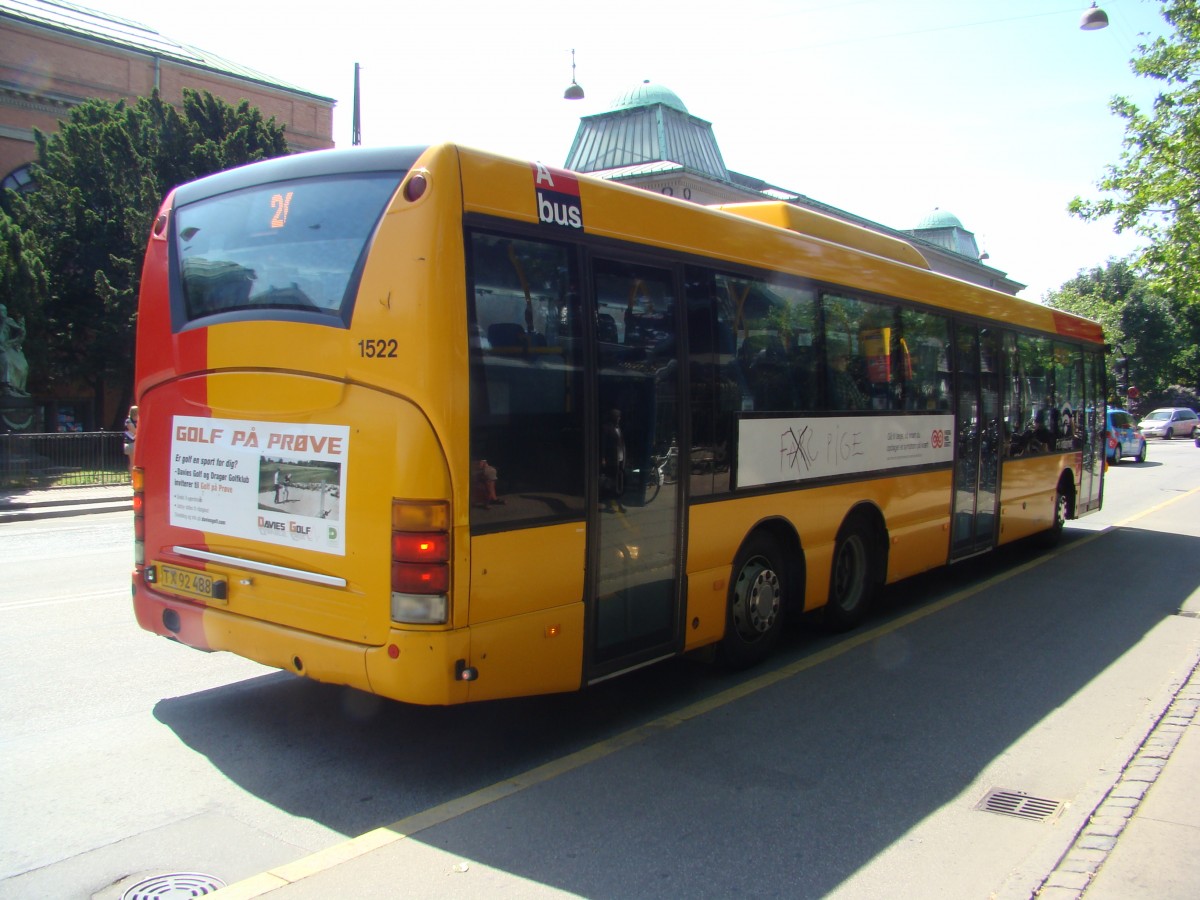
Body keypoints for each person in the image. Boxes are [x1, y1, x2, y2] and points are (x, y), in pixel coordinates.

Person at [600, 408, 626, 512]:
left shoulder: (618, 428)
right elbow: (603, 444)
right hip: (611, 459)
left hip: (620, 458)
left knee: (619, 482)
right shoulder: (606, 428)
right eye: (617, 417)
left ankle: (618, 503)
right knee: (611, 482)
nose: (619, 419)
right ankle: (610, 503)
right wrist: (603, 458)